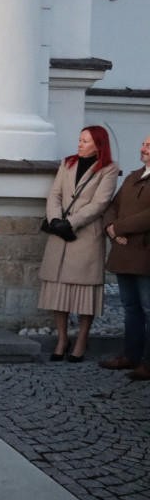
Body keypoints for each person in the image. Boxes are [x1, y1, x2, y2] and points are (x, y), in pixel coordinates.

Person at [38, 126, 118, 362]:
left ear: (98, 145)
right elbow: (55, 194)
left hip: (85, 236)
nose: (80, 144)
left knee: (85, 293)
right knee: (58, 289)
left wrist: (70, 223)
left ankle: (82, 339)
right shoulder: (67, 163)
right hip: (59, 233)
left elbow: (100, 203)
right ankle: (62, 339)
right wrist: (55, 221)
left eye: (85, 141)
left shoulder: (108, 169)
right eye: (79, 140)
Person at [99, 134, 150, 381]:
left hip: (145, 255)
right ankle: (131, 355)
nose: (142, 148)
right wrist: (110, 227)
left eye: (148, 145)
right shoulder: (132, 176)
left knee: (148, 309)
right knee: (130, 308)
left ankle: (148, 364)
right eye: (143, 143)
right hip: (123, 251)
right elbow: (112, 205)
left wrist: (119, 228)